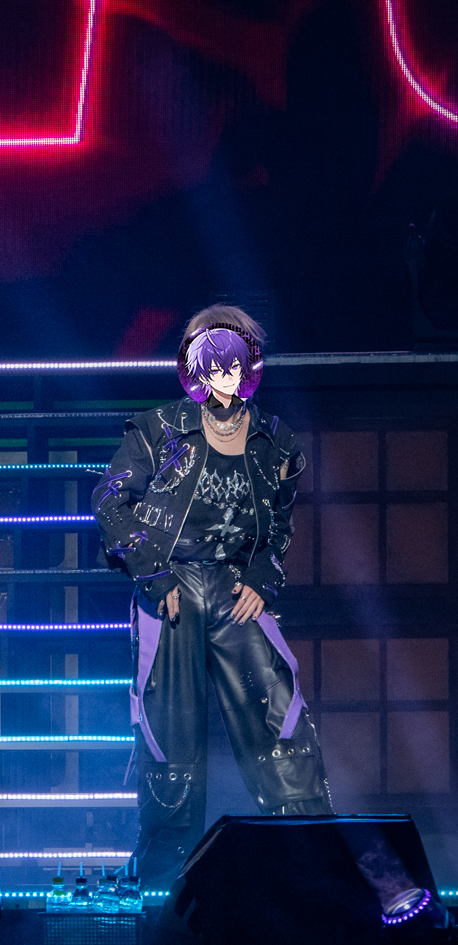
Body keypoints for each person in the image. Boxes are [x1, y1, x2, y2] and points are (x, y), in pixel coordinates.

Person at [93, 305, 329, 891]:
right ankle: (166, 891)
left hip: (235, 590)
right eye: (209, 359)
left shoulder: (278, 442)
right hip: (171, 589)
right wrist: (153, 575)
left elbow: (279, 526)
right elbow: (110, 501)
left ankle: (313, 871)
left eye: (233, 359)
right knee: (168, 736)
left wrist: (263, 578)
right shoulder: (158, 430)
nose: (222, 373)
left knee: (280, 719)